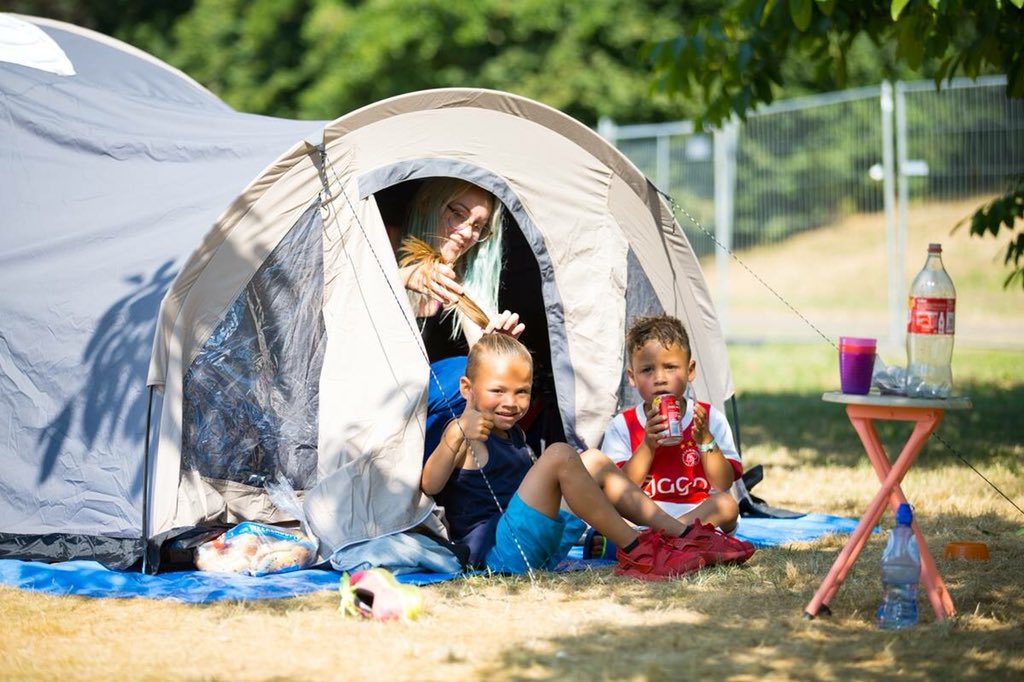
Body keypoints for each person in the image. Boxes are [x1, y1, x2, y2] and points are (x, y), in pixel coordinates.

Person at [420, 333, 750, 580]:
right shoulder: (461, 432)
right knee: (561, 454)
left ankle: (682, 536)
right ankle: (638, 550)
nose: (511, 401)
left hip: (534, 544)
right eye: (498, 391)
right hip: (497, 555)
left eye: (522, 392)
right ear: (467, 389)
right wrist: (454, 434)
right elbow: (431, 484)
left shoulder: (514, 433)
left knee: (592, 459)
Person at [394, 178, 525, 450]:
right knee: (459, 373)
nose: (467, 233)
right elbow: (342, 301)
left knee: (476, 379)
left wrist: (496, 348)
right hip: (381, 402)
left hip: (434, 423)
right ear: (429, 205)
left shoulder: (463, 282)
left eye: (478, 226)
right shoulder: (384, 245)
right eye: (458, 214)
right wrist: (403, 277)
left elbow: (484, 367)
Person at [601, 314, 746, 537]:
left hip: (698, 514)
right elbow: (621, 490)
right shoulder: (623, 426)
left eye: (670, 367)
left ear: (690, 371)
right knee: (606, 512)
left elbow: (723, 482)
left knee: (727, 505)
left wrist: (706, 441)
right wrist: (648, 445)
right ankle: (672, 537)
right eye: (647, 370)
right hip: (645, 517)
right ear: (632, 377)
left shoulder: (708, 417)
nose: (660, 378)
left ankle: (664, 538)